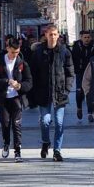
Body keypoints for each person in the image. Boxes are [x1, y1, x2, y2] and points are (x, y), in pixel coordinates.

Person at [29, 24, 75, 162]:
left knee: (60, 122)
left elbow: (70, 72)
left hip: (60, 92)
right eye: (50, 34)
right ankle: (45, 141)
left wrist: (67, 89)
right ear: (46, 35)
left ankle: (57, 150)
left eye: (55, 34)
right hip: (44, 92)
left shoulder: (64, 51)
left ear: (58, 36)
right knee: (45, 121)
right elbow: (33, 72)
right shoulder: (38, 52)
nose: (53, 37)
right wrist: (34, 91)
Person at [0, 37, 33, 162]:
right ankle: (6, 143)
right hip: (3, 98)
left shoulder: (22, 63)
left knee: (17, 124)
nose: (15, 55)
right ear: (7, 48)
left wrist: (19, 86)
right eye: (13, 52)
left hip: (16, 98)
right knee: (5, 123)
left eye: (17, 52)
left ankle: (18, 151)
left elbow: (29, 82)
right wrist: (6, 82)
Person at [72, 30, 94, 122]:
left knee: (90, 92)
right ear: (81, 38)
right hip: (80, 73)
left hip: (91, 73)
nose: (87, 39)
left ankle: (90, 113)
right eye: (85, 37)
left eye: (88, 37)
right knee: (79, 91)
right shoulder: (76, 47)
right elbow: (72, 60)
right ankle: (79, 108)